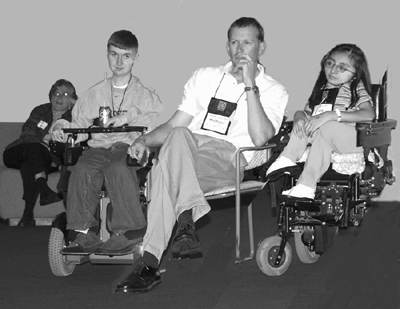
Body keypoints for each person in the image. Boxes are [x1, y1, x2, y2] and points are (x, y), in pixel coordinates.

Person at [116, 17, 288, 294]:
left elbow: (260, 137)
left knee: (162, 170)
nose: (239, 48)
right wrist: (143, 139)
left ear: (262, 47)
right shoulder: (204, 76)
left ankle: (150, 262)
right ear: (227, 46)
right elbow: (174, 124)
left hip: (228, 158)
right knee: (179, 138)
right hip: (186, 150)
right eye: (234, 42)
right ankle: (183, 222)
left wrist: (249, 84)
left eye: (247, 42)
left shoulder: (273, 90)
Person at [51, 30, 163, 254]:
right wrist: (61, 127)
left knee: (117, 167)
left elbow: (157, 126)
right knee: (81, 169)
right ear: (107, 54)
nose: (119, 61)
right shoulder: (93, 94)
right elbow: (79, 129)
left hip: (128, 147)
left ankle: (129, 231)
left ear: (136, 58)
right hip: (99, 147)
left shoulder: (146, 96)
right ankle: (84, 233)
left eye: (126, 56)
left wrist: (130, 119)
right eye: (114, 55)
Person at [265, 43, 375, 199]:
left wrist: (331, 115)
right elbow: (308, 112)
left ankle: (306, 185)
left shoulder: (356, 87)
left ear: (355, 74)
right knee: (305, 124)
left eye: (342, 68)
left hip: (351, 140)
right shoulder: (322, 88)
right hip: (323, 136)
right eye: (330, 63)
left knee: (327, 126)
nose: (333, 70)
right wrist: (298, 117)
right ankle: (287, 159)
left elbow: (368, 114)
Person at [3, 79, 78, 227]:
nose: (59, 98)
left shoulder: (74, 117)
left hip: (48, 159)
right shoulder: (41, 110)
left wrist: (43, 137)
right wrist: (50, 137)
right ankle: (44, 188)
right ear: (50, 96)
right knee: (35, 148)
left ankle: (28, 215)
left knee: (29, 166)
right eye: (56, 93)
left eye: (65, 94)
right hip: (19, 152)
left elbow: (69, 141)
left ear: (71, 100)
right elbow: (28, 133)